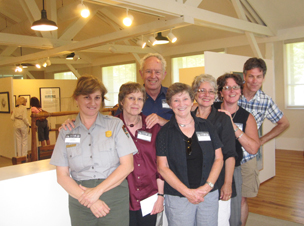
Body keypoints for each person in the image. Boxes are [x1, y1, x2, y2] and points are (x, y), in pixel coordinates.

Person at [50, 75, 137, 226]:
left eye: (97, 97)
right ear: (76, 98)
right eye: (87, 97)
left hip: (113, 196)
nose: (92, 103)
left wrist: (97, 192)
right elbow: (62, 175)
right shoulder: (67, 132)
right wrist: (90, 200)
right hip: (80, 200)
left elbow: (128, 165)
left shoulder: (115, 125)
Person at [156, 82, 223, 226]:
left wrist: (207, 187)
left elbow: (219, 158)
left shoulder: (206, 126)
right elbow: (162, 167)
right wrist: (187, 192)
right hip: (179, 197)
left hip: (208, 195)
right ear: (170, 104)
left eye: (185, 99)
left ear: (192, 100)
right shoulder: (164, 133)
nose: (181, 104)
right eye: (176, 100)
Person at [238, 58, 290, 226]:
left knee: (242, 199)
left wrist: (261, 140)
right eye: (251, 76)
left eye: (259, 77)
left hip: (247, 157)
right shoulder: (231, 93)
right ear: (244, 76)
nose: (255, 81)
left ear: (263, 77)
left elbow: (284, 123)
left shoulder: (265, 101)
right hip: (224, 155)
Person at [213, 73, 260, 226]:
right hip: (210, 166)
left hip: (233, 168)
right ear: (221, 92)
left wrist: (232, 125)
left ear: (240, 90)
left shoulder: (246, 117)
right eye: (227, 88)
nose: (232, 91)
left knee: (233, 209)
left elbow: (253, 148)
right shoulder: (210, 109)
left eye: (235, 87)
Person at [191, 74, 237, 226]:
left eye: (211, 91)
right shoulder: (187, 117)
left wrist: (227, 183)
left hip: (219, 181)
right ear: (195, 93)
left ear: (216, 95)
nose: (206, 95)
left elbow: (229, 154)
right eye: (202, 90)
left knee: (220, 221)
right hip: (194, 181)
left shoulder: (223, 119)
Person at [116, 82, 164, 226]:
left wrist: (160, 196)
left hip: (149, 196)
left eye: (140, 99)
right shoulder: (112, 126)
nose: (136, 103)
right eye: (131, 98)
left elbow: (160, 165)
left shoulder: (153, 126)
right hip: (121, 197)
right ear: (121, 101)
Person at [115, 53, 173, 128]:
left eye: (157, 72)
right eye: (148, 71)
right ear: (141, 74)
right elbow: (117, 124)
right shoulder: (130, 99)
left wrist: (163, 121)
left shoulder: (173, 96)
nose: (153, 76)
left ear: (164, 75)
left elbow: (185, 124)